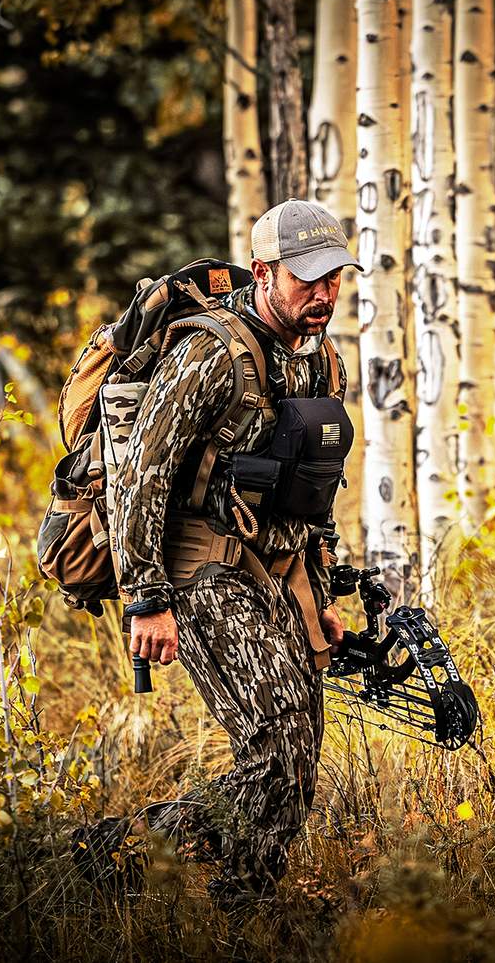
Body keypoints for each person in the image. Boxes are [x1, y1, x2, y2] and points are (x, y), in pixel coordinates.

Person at [108, 199, 361, 906]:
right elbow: (142, 474)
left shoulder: (324, 362)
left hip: (273, 569)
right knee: (276, 739)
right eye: (307, 278)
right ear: (263, 272)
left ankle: (122, 853)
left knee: (297, 758)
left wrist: (322, 598)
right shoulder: (211, 353)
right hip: (197, 569)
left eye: (334, 277)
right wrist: (147, 600)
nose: (324, 293)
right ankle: (243, 908)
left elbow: (314, 491)